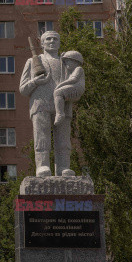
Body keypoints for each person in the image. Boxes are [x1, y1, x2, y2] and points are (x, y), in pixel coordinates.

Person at [19, 31, 76, 177]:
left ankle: (63, 167)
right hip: (40, 104)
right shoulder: (33, 61)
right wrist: (35, 82)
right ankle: (43, 166)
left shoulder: (66, 62)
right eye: (48, 39)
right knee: (42, 137)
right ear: (42, 43)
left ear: (59, 42)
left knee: (63, 139)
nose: (52, 41)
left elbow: (75, 83)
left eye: (55, 39)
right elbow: (23, 89)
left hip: (63, 106)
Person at [53, 51, 85, 126]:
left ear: (75, 61)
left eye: (68, 61)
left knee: (58, 92)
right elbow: (63, 69)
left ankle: (60, 113)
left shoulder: (78, 69)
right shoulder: (71, 71)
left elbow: (73, 80)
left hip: (77, 87)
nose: (66, 63)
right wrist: (61, 59)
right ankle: (60, 113)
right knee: (58, 92)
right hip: (74, 87)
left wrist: (60, 85)